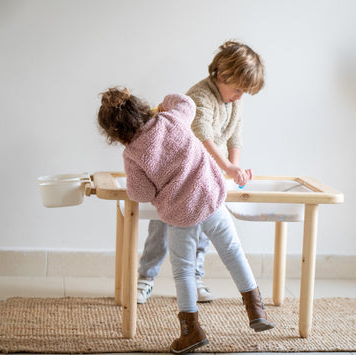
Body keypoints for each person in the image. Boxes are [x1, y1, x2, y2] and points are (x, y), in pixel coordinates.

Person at [97, 88, 274, 354]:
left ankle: (191, 332)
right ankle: (256, 309)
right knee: (234, 253)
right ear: (142, 108)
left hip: (182, 216)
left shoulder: (132, 154)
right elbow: (184, 101)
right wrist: (161, 106)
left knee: (184, 272)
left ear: (116, 134)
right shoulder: (172, 119)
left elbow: (141, 193)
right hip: (212, 201)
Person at [136, 40, 265, 304]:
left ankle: (194, 278)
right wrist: (227, 166)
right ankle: (145, 278)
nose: (241, 95)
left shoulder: (233, 101)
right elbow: (202, 132)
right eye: (239, 88)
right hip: (177, 176)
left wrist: (233, 167)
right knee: (161, 228)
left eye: (245, 91)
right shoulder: (200, 97)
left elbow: (234, 136)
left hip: (205, 177)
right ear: (221, 74)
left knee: (205, 227)